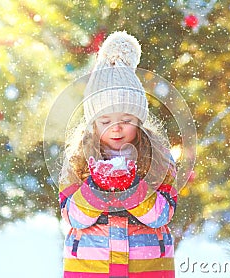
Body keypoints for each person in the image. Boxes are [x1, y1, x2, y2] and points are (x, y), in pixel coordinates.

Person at [58, 31, 178, 278]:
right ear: (93, 123)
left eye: (126, 119)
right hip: (92, 268)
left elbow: (162, 215)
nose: (116, 128)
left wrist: (133, 189)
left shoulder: (159, 159)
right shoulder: (78, 160)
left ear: (140, 121)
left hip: (145, 268)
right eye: (105, 120)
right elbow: (74, 218)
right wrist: (96, 188)